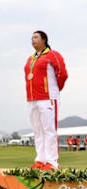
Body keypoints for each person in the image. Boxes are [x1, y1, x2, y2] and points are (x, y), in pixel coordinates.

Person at [26, 31, 68, 170]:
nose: (33, 40)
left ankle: (52, 162)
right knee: (37, 131)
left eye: (36, 37)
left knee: (49, 130)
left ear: (44, 39)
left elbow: (62, 74)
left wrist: (54, 90)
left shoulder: (53, 55)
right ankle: (40, 160)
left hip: (48, 98)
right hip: (32, 99)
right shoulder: (30, 58)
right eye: (32, 38)